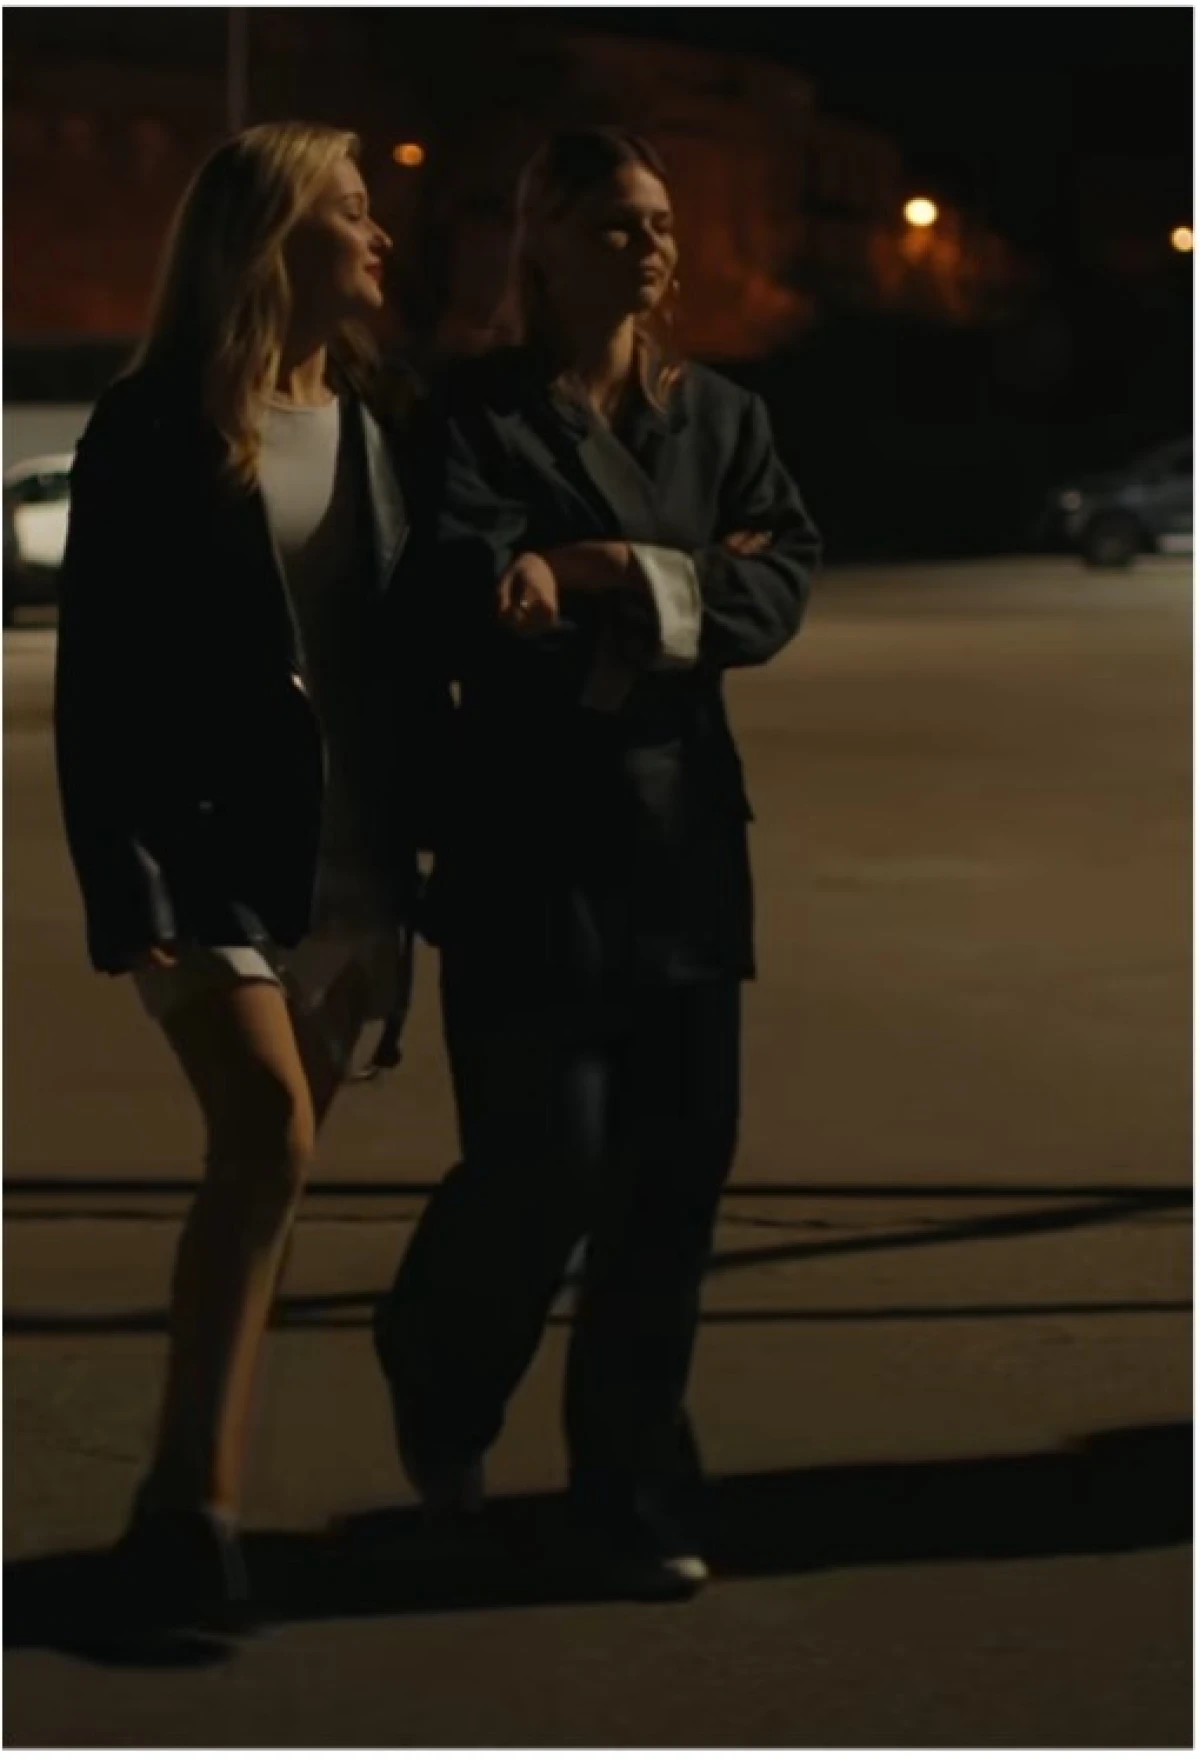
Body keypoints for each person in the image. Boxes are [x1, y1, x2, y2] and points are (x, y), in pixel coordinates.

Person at [374, 127, 822, 1597]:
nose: (648, 246)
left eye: (660, 223)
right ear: (543, 242)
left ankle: (630, 1491)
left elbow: (780, 582)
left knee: (672, 1184)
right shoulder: (474, 413)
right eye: (616, 223)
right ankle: (438, 1365)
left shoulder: (720, 416)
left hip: (686, 843)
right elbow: (457, 596)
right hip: (527, 850)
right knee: (543, 1169)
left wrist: (601, 570)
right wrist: (663, 590)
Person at [54, 121, 437, 1633]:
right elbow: (100, 683)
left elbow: (395, 657)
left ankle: (182, 1501)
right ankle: (193, 1520)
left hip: (346, 866)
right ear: (274, 235)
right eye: (353, 210)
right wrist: (131, 893)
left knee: (265, 1184)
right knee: (266, 1134)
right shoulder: (152, 424)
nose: (380, 236)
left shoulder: (377, 419)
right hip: (205, 859)